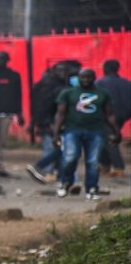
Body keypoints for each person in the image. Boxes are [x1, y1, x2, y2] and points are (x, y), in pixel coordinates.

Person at [54, 68, 120, 200]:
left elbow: (110, 115)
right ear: (78, 78)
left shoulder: (102, 94)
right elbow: (60, 114)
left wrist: (116, 132)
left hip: (96, 131)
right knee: (70, 157)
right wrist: (56, 133)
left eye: (89, 77)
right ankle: (65, 182)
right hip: (72, 130)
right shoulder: (68, 93)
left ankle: (91, 188)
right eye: (83, 77)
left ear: (94, 78)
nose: (86, 80)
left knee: (93, 161)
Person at [26, 63, 69, 184]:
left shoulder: (56, 85)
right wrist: (44, 123)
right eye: (60, 71)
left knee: (59, 149)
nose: (63, 74)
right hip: (50, 123)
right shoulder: (51, 86)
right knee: (54, 148)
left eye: (65, 71)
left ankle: (53, 173)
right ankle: (45, 172)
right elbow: (42, 107)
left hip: (52, 122)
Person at [96, 59, 131, 177]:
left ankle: (118, 167)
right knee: (106, 139)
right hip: (123, 116)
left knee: (110, 140)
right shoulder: (127, 83)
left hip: (106, 116)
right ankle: (105, 165)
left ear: (105, 69)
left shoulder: (99, 83)